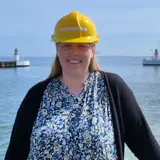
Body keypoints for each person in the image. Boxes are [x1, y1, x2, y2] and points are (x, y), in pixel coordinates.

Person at [5, 11, 160, 160]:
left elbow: (148, 149)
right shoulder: (37, 95)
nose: (74, 52)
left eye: (82, 46)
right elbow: (14, 154)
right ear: (57, 49)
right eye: (67, 45)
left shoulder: (113, 89)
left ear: (93, 50)